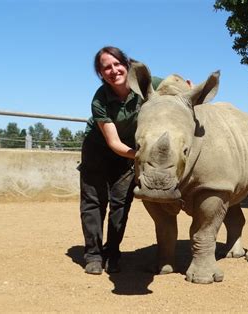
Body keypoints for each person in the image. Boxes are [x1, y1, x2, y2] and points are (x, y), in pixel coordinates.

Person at [78, 46, 161, 275]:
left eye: (117, 64)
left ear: (126, 64)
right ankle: (93, 255)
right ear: (101, 73)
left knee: (121, 204)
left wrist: (188, 88)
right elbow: (113, 143)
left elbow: (175, 89)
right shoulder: (100, 99)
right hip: (99, 149)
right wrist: (143, 156)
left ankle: (112, 252)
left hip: (129, 152)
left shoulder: (147, 83)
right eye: (106, 67)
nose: (113, 70)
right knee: (94, 203)